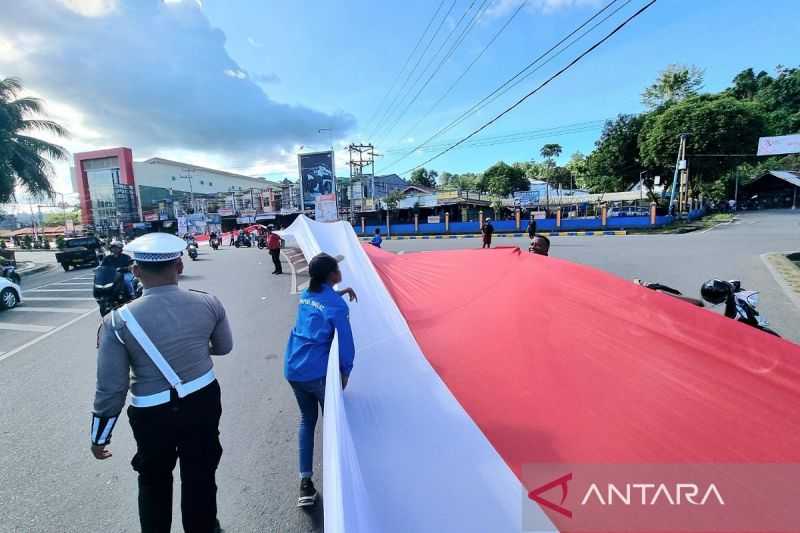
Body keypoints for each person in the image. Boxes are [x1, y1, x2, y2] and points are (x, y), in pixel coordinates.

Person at [90, 232, 233, 533]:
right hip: (202, 400)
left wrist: (100, 436)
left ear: (135, 271)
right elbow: (223, 347)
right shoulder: (209, 303)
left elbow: (112, 388)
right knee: (201, 474)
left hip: (151, 414)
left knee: (154, 481)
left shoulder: (116, 322)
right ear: (179, 267)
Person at [284, 253, 357, 507]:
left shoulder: (307, 295)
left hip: (293, 368)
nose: (340, 270)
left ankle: (305, 484)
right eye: (338, 268)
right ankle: (342, 481)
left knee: (307, 421)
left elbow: (321, 307)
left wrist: (340, 292)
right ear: (332, 275)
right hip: (317, 373)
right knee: (335, 425)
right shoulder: (337, 306)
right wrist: (345, 371)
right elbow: (346, 343)